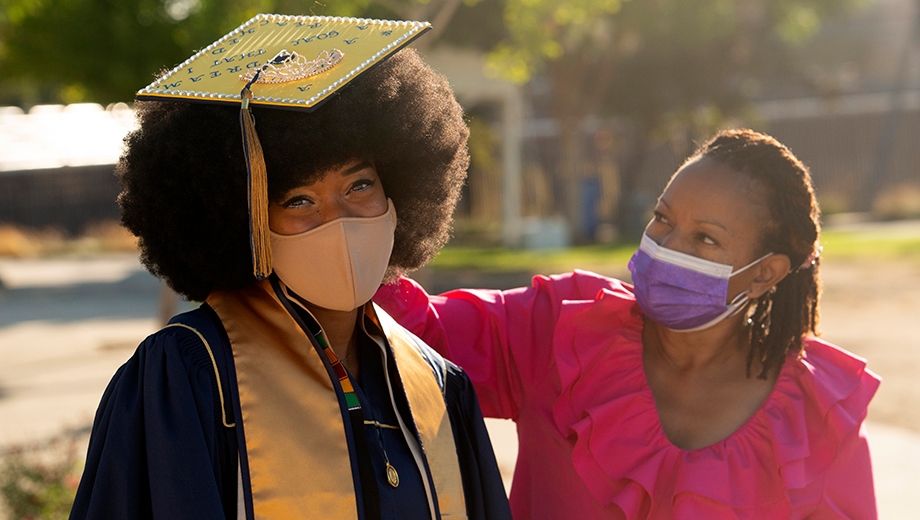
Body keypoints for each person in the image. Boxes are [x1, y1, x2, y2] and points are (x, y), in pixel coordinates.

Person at [70, 14, 511, 520]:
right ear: (248, 221)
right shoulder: (188, 376)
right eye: (299, 200)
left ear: (400, 193)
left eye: (360, 185)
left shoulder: (437, 386)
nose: (338, 220)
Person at [375, 129, 881, 519]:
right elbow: (410, 334)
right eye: (662, 218)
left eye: (705, 239)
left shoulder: (818, 422)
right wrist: (357, 210)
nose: (667, 246)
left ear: (765, 274)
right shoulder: (560, 328)